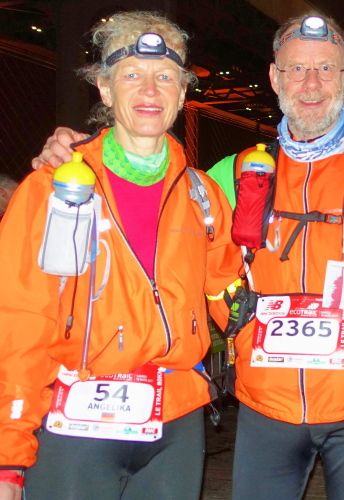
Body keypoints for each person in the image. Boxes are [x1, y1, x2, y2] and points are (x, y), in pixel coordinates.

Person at [32, 13, 344, 500]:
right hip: (264, 409)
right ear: (275, 77)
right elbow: (149, 203)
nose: (311, 84)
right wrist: (78, 153)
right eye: (296, 69)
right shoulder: (230, 175)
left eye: (326, 69)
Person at [3, 11, 240, 500]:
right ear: (105, 90)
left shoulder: (202, 195)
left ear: (182, 93)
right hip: (73, 424)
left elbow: (233, 299)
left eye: (165, 77)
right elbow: (20, 321)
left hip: (176, 422)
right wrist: (9, 453)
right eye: (131, 75)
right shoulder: (51, 190)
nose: (150, 90)